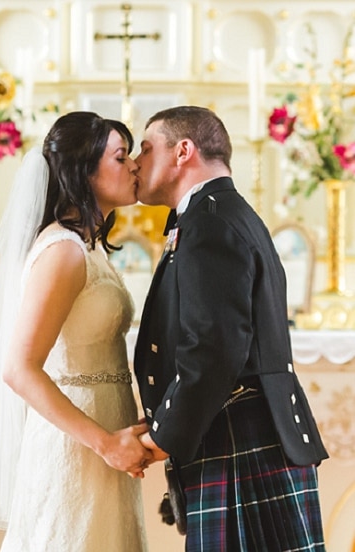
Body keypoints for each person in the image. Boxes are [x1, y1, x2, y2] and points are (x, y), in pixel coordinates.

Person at [133, 105, 327, 549]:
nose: (138, 162)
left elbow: (213, 349)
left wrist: (162, 439)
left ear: (183, 151)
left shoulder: (210, 221)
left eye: (146, 148)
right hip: (245, 429)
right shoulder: (217, 212)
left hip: (240, 434)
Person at [0, 111, 151, 551]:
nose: (134, 167)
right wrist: (105, 444)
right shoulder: (63, 252)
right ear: (84, 171)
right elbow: (19, 369)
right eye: (121, 157)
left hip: (105, 437)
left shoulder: (89, 248)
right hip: (77, 445)